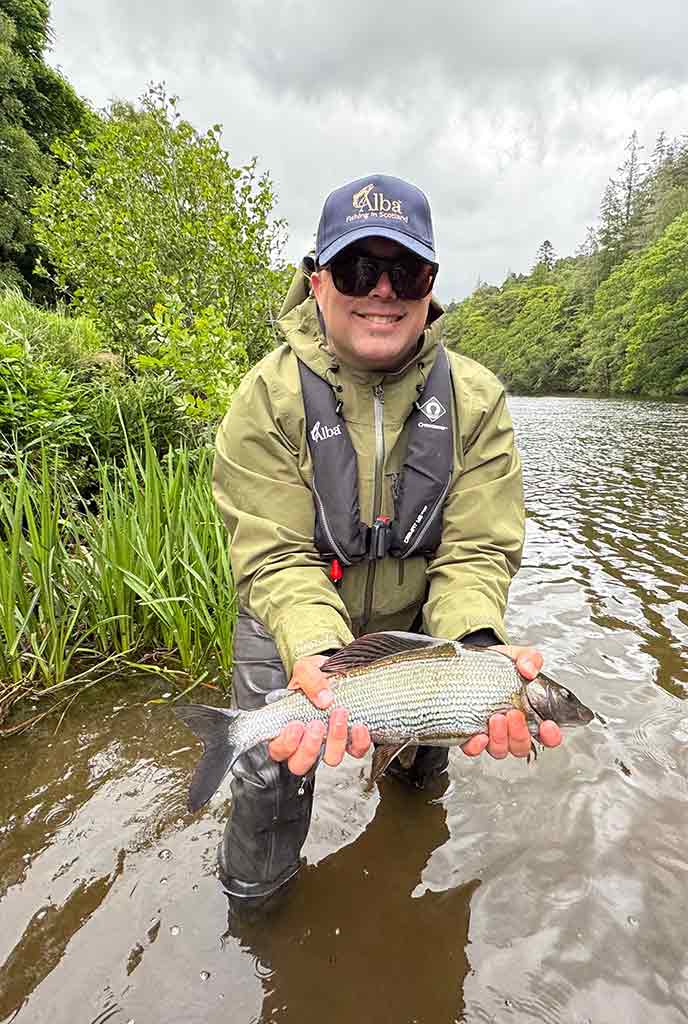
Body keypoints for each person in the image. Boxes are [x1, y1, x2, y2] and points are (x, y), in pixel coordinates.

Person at [211, 173, 562, 905]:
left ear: (429, 284)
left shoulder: (476, 399)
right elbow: (273, 556)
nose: (382, 290)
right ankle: (256, 902)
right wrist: (315, 651)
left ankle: (403, 854)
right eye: (357, 268)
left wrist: (473, 644)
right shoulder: (264, 397)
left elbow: (476, 549)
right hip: (293, 624)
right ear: (317, 282)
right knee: (272, 769)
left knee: (430, 753)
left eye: (404, 270)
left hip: (423, 628)